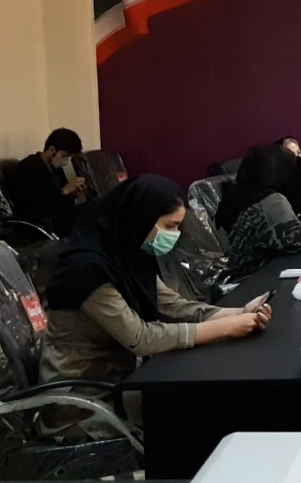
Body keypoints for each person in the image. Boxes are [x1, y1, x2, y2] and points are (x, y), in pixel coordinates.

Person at [39, 175, 272, 439]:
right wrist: (224, 328)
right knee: (203, 411)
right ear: (141, 217)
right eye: (170, 226)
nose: (174, 235)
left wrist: (239, 313)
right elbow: (140, 338)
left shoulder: (129, 253)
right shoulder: (85, 269)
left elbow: (172, 305)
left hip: (121, 380)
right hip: (84, 404)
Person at [216, 145, 301, 279]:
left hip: (235, 273)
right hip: (259, 276)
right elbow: (298, 242)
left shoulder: (233, 193)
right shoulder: (272, 202)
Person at [9, 128, 89, 235]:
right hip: (40, 224)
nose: (67, 161)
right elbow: (33, 205)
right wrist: (64, 191)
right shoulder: (28, 167)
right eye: (64, 156)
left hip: (58, 218)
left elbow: (61, 203)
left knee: (92, 209)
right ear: (52, 150)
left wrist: (72, 195)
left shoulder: (56, 169)